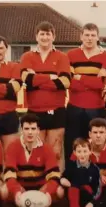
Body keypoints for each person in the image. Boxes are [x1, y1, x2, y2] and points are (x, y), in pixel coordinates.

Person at [19, 21, 71, 162]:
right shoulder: (27, 57)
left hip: (57, 110)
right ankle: (38, 181)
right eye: (42, 34)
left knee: (55, 151)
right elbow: (26, 80)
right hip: (35, 110)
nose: (45, 37)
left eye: (48, 34)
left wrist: (36, 79)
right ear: (36, 37)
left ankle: (55, 181)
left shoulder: (62, 57)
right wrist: (51, 77)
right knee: (36, 151)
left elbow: (64, 83)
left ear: (53, 37)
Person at [64, 23, 106, 168]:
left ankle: (92, 173)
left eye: (93, 35)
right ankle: (72, 174)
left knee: (95, 143)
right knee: (72, 143)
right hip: (74, 107)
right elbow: (70, 82)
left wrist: (80, 77)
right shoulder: (71, 55)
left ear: (98, 37)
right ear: (81, 36)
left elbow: (102, 84)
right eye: (86, 35)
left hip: (96, 108)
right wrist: (92, 80)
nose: (89, 38)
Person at [0, 113, 64, 207]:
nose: (30, 132)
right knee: (4, 191)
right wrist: (17, 192)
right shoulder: (13, 147)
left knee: (59, 191)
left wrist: (47, 192)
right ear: (21, 130)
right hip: (21, 187)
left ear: (38, 130)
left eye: (33, 129)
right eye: (27, 128)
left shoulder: (46, 148)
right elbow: (9, 175)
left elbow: (54, 176)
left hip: (40, 188)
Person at [61, 138, 102, 207]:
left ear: (90, 152)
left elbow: (98, 189)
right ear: (74, 153)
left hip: (88, 196)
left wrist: (92, 203)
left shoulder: (94, 169)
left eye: (85, 151)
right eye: (79, 151)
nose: (82, 155)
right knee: (73, 188)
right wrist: (65, 181)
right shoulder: (71, 166)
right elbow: (63, 178)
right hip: (74, 195)